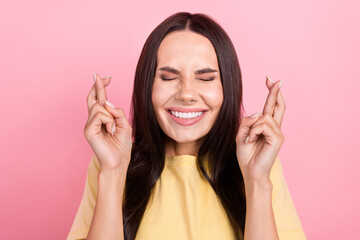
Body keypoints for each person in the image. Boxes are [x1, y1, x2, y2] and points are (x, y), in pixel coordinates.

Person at [67, 12, 306, 240]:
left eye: (205, 78)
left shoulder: (260, 168)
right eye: (169, 78)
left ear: (227, 88)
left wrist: (257, 180)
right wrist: (112, 172)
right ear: (147, 85)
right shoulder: (111, 163)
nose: (187, 94)